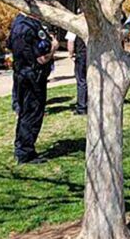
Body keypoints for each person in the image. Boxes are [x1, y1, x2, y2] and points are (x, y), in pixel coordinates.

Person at [7, 12, 58, 165]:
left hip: (22, 74)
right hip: (32, 76)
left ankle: (23, 148)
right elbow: (41, 58)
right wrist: (54, 47)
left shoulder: (17, 23)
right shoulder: (30, 27)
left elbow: (9, 45)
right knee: (32, 113)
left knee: (25, 112)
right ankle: (25, 152)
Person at [65, 29, 87, 115]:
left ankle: (82, 107)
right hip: (92, 56)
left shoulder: (74, 25)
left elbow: (70, 42)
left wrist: (71, 54)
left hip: (81, 55)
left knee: (81, 81)